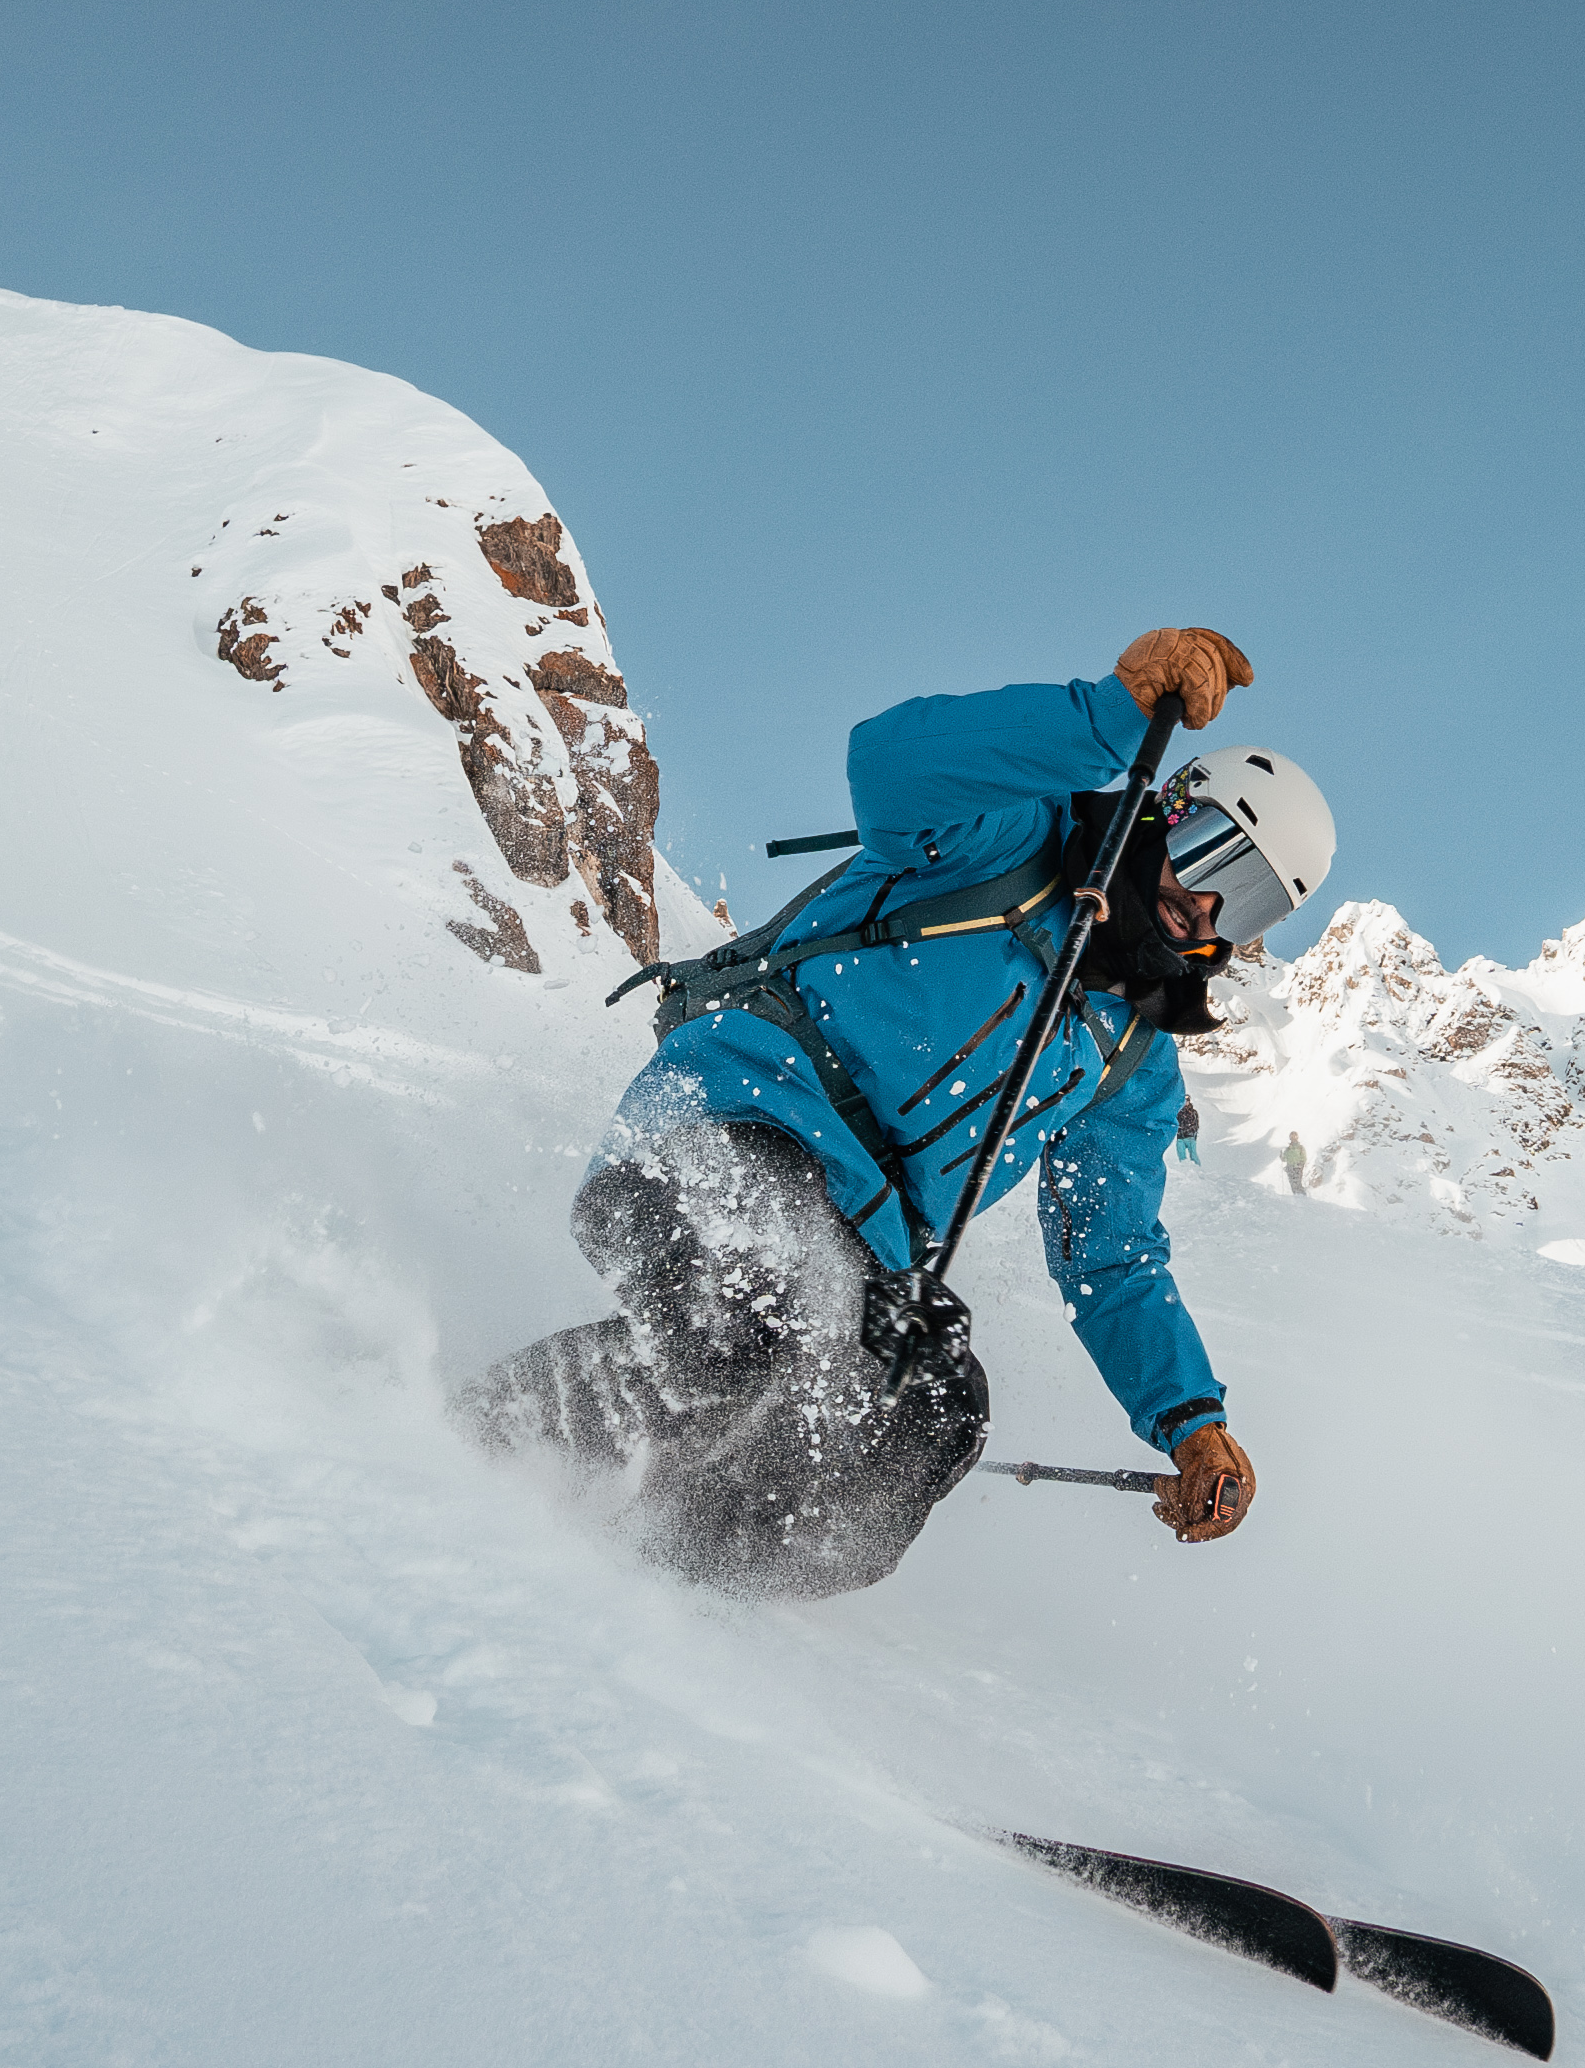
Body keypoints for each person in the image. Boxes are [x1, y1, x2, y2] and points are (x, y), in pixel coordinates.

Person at [458, 627, 1335, 1599]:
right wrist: (1110, 715)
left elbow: (1110, 1253)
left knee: (930, 1418)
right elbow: (890, 764)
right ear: (1166, 810)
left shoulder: (1127, 1058)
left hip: (860, 1245)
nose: (1205, 909)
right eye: (1214, 857)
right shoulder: (1005, 841)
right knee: (761, 1327)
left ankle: (680, 1594)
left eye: (1245, 904)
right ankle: (467, 1452)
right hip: (721, 1125)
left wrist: (1190, 1419)